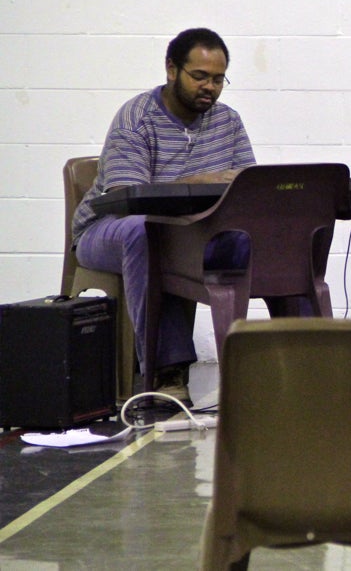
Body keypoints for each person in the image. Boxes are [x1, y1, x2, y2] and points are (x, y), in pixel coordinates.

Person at [72, 28, 255, 405]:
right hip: (105, 231)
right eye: (200, 76)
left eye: (218, 79)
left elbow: (246, 188)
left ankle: (286, 367)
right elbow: (128, 201)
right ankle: (165, 373)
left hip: (187, 231)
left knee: (254, 233)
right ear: (172, 70)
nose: (210, 87)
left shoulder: (228, 122)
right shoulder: (136, 118)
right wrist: (199, 180)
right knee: (148, 231)